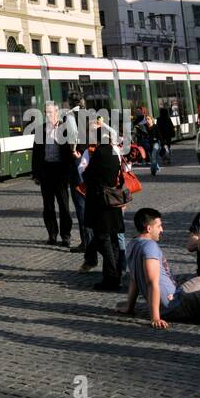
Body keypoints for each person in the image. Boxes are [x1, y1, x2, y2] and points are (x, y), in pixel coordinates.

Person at [120, 209, 200, 326]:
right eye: (159, 226)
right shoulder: (150, 247)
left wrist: (129, 307)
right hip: (175, 305)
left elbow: (134, 279)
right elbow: (151, 282)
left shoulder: (132, 244)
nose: (162, 230)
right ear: (149, 228)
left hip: (176, 294)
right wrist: (155, 318)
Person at [78, 117, 124, 290]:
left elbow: (88, 175)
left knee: (103, 238)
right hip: (113, 201)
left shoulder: (99, 153)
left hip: (100, 202)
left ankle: (112, 277)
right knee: (111, 240)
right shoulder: (114, 152)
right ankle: (111, 276)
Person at [31, 101, 76, 246]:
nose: (48, 115)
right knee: (48, 206)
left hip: (60, 172)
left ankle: (66, 236)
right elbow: (36, 154)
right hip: (46, 172)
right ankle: (52, 234)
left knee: (64, 206)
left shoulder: (65, 128)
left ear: (57, 113)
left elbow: (71, 152)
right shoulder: (40, 129)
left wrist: (69, 173)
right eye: (46, 112)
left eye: (51, 112)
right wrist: (36, 174)